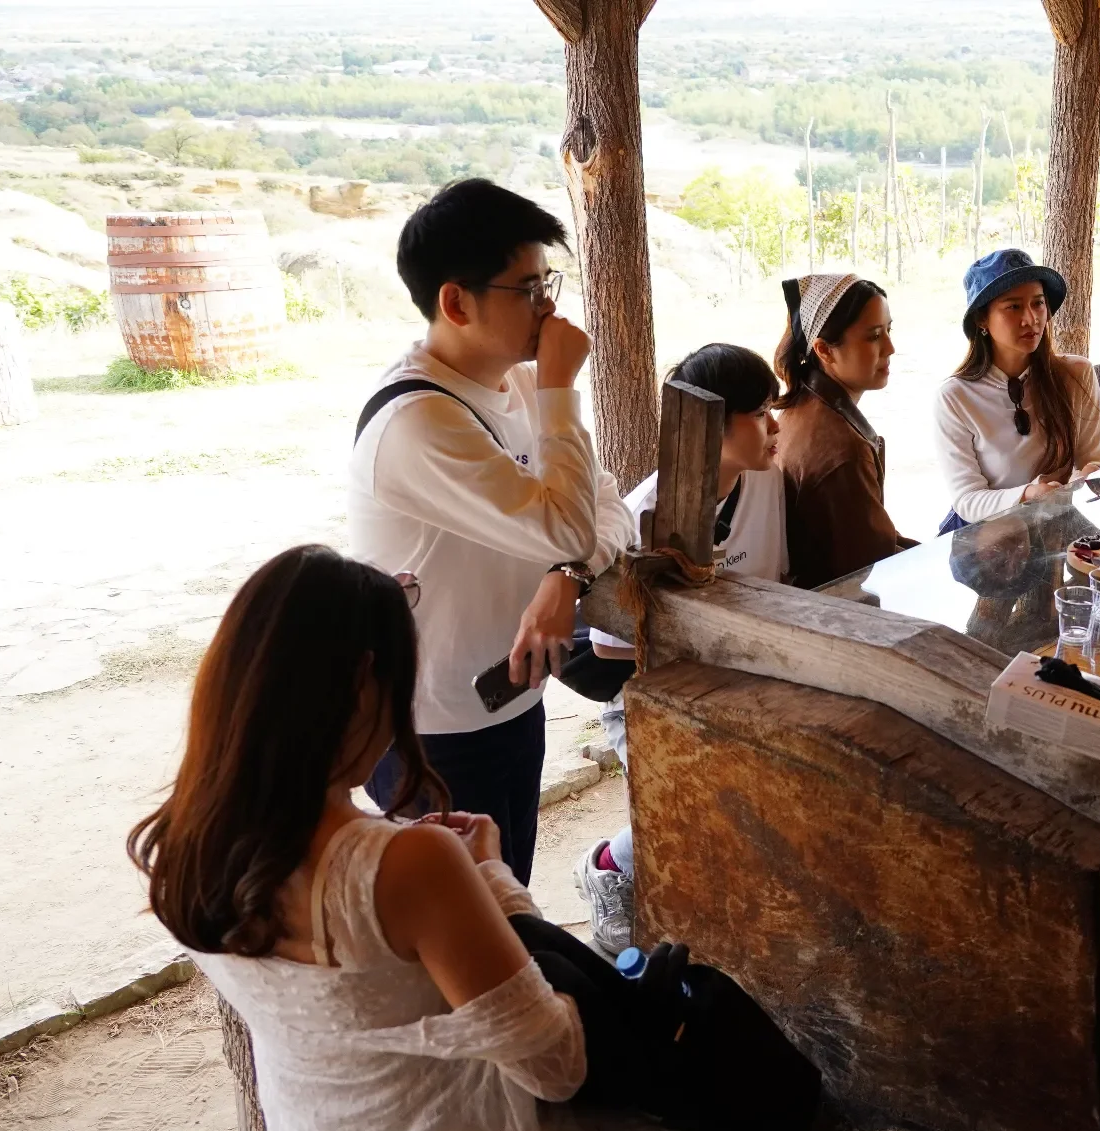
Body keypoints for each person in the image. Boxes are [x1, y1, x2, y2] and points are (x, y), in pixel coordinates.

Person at [130, 545, 812, 1131]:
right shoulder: (402, 865)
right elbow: (553, 1065)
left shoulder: (187, 844)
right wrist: (491, 879)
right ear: (364, 683)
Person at [350, 178, 636, 886]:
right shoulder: (418, 422)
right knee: (458, 927)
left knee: (510, 893)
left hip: (510, 696)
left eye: (548, 283)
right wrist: (563, 390)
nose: (549, 307)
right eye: (528, 288)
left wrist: (565, 574)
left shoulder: (512, 387)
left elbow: (610, 509)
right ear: (456, 302)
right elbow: (572, 521)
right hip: (432, 728)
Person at [581, 343, 789, 953]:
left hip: (746, 686)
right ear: (710, 426)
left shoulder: (767, 486)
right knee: (696, 803)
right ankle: (609, 865)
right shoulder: (650, 514)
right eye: (760, 414)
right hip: (652, 698)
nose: (776, 427)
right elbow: (608, 647)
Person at [933, 248, 1100, 528]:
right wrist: (1028, 495)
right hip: (984, 538)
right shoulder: (955, 397)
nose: (1031, 319)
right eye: (1013, 306)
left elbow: (1097, 458)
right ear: (982, 319)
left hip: (1054, 526)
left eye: (1038, 303)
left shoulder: (1076, 374)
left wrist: (1088, 475)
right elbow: (967, 500)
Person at [772, 272, 917, 587]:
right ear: (824, 350)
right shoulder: (842, 449)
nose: (890, 347)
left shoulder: (802, 407)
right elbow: (869, 571)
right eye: (874, 336)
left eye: (889, 330)